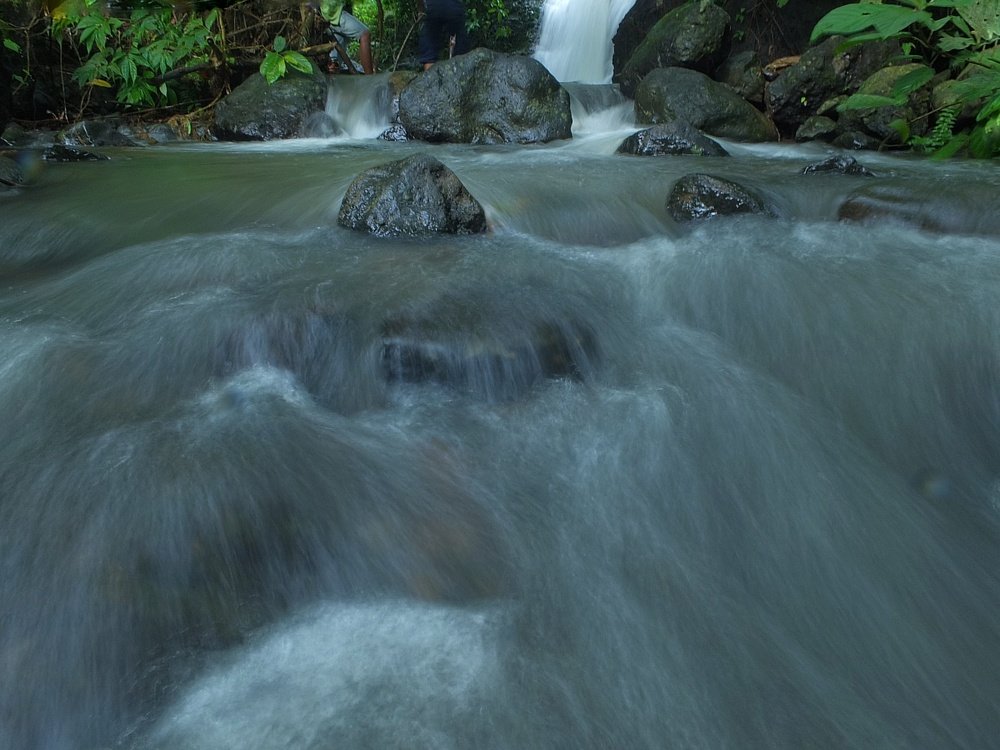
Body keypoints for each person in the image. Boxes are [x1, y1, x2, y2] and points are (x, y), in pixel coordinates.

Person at [311, 0, 374, 74]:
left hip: (331, 10)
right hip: (333, 10)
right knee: (364, 34)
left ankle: (332, 79)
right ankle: (369, 77)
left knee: (335, 63)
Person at [418, 0, 469, 71]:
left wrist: (421, 10)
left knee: (430, 47)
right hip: (454, 7)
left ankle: (430, 78)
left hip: (432, 6)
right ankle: (459, 71)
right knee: (459, 45)